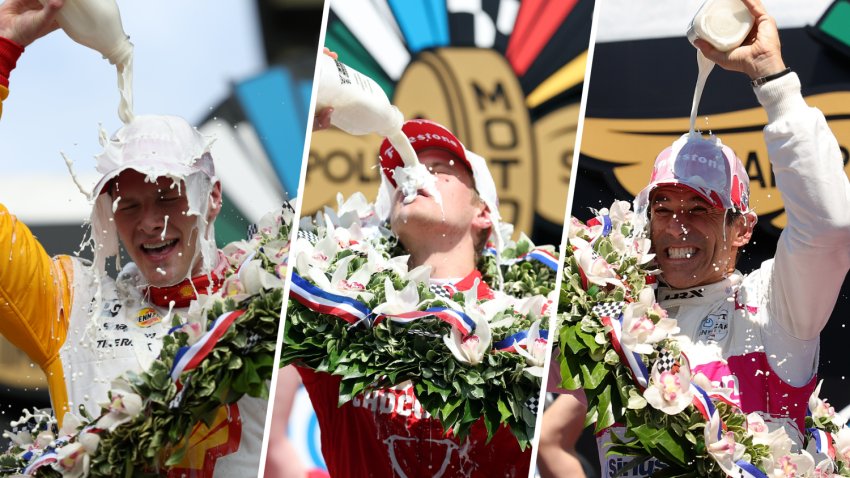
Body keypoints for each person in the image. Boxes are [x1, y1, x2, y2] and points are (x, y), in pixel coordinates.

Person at [540, 0, 850, 476]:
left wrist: (774, 80)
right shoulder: (610, 321)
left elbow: (831, 227)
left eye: (699, 209)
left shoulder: (772, 305)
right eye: (662, 208)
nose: (676, 225)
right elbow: (542, 394)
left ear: (742, 228)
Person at [0, 1, 268, 476]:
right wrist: (3, 46)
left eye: (167, 196)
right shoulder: (72, 307)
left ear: (213, 199)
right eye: (128, 205)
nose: (149, 222)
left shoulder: (267, 296)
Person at [295, 118, 532, 477]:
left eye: (437, 170)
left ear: (482, 212)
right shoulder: (337, 307)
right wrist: (312, 117)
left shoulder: (529, 334)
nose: (413, 177)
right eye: (404, 173)